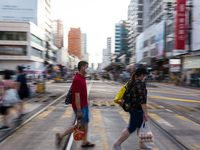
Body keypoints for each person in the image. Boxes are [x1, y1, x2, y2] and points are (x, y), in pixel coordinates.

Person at [55, 61, 95, 148]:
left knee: (86, 123)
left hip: (84, 105)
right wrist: (79, 110)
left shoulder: (82, 77)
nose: (88, 68)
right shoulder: (77, 79)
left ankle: (84, 141)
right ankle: (61, 135)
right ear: (82, 67)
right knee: (79, 125)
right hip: (80, 107)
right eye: (87, 66)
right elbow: (76, 96)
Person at [113, 67, 150, 150]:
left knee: (140, 127)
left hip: (132, 108)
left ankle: (142, 144)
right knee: (131, 128)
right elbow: (142, 101)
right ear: (141, 75)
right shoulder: (140, 84)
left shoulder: (131, 82)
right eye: (144, 75)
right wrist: (145, 113)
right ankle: (117, 144)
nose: (145, 77)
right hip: (137, 110)